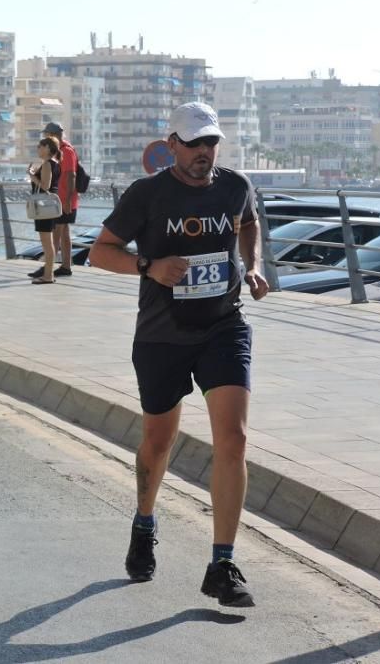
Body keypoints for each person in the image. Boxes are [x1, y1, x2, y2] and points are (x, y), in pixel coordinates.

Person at [87, 102, 270, 608]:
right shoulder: (147, 194)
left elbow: (248, 222)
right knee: (158, 440)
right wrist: (149, 265)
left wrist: (251, 266)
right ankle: (145, 520)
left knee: (232, 439)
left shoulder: (235, 186)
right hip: (161, 335)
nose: (204, 154)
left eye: (211, 143)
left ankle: (222, 563)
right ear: (172, 145)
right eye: (194, 144)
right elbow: (99, 251)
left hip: (223, 327)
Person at [42, 122, 78, 278]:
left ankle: (48, 268)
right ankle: (65, 266)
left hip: (65, 200)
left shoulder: (66, 151)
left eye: (46, 134)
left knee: (56, 232)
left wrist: (68, 200)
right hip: (60, 199)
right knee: (64, 233)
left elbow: (71, 175)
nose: (45, 137)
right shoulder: (58, 151)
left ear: (53, 134)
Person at [27, 136, 62, 284]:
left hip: (43, 207)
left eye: (40, 146)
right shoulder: (54, 164)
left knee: (47, 244)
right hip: (48, 207)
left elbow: (46, 186)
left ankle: (48, 275)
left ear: (47, 148)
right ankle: (49, 274)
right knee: (49, 243)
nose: (38, 149)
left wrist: (31, 175)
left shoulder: (47, 164)